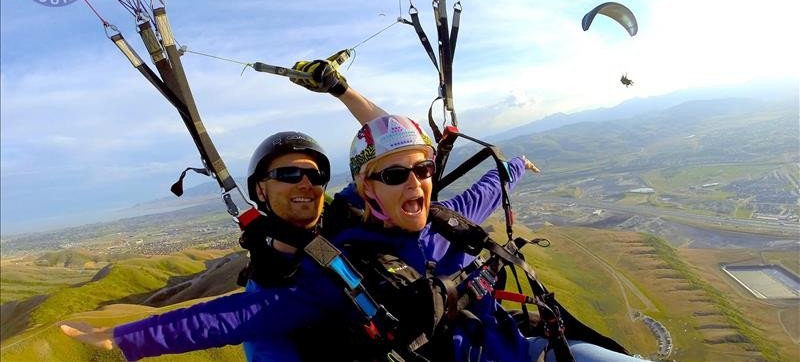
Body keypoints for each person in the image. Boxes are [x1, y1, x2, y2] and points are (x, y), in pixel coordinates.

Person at [61, 114, 642, 362]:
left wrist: (515, 165)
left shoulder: (444, 220)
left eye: (422, 172)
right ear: (367, 190)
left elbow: (485, 191)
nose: (415, 183)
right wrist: (133, 337)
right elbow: (240, 317)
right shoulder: (341, 271)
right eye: (395, 176)